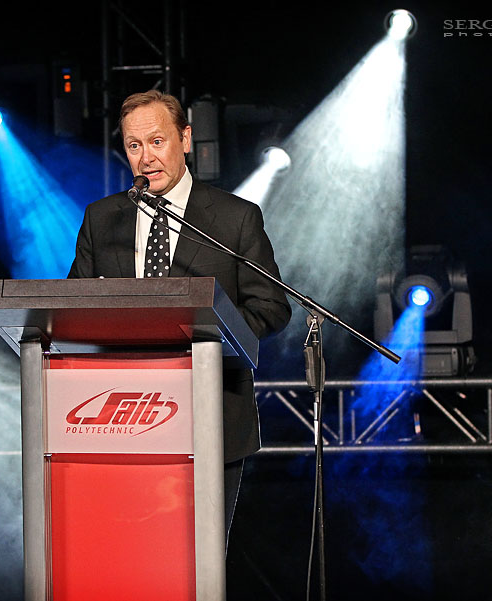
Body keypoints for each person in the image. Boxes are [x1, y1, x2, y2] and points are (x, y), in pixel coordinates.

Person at [67, 90, 291, 546]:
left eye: (157, 141)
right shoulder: (101, 219)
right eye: (134, 146)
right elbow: (72, 310)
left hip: (210, 418)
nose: (146, 157)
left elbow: (271, 306)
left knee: (198, 562)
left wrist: (209, 336)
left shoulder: (234, 218)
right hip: (122, 419)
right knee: (132, 558)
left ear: (185, 139)